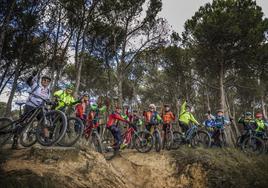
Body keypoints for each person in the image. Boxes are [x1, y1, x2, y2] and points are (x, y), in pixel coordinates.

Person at [12, 73, 52, 149]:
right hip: (30, 106)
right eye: (44, 80)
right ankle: (15, 141)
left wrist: (51, 102)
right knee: (24, 122)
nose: (45, 82)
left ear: (49, 83)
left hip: (40, 108)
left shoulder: (48, 91)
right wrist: (32, 75)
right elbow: (29, 81)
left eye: (47, 81)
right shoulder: (36, 85)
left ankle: (46, 140)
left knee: (44, 123)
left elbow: (47, 100)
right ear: (41, 80)